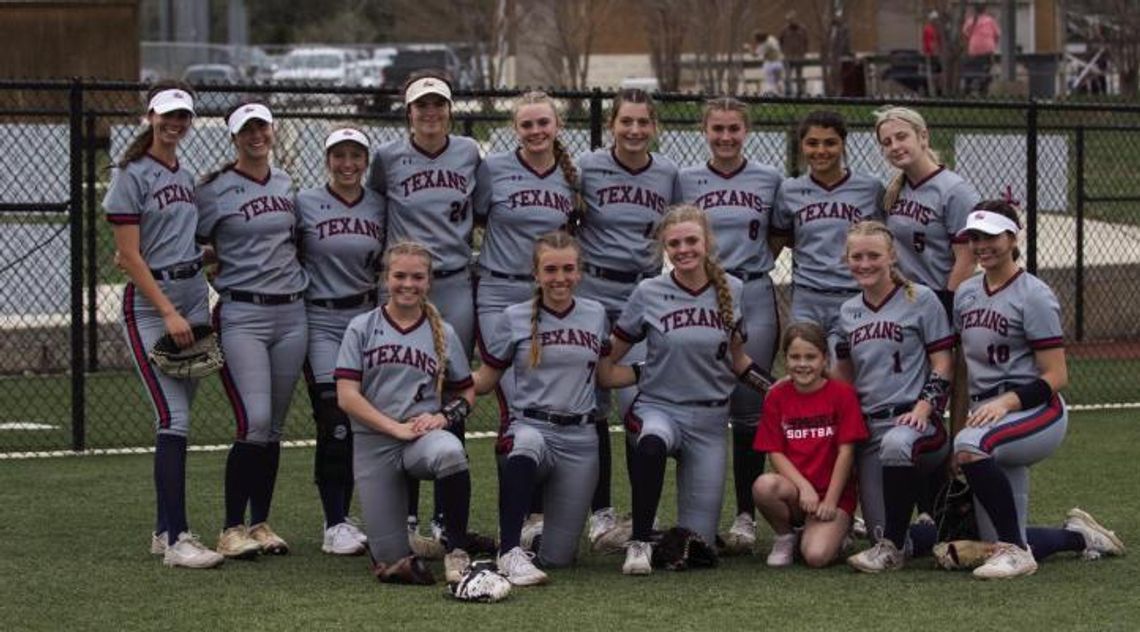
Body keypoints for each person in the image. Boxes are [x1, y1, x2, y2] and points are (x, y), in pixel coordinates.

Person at [951, 201, 1124, 578]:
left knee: (971, 447)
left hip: (1036, 410)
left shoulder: (1034, 295)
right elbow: (962, 369)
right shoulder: (965, 294)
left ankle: (1018, 552)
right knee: (991, 537)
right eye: (975, 237)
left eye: (992, 236)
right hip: (986, 415)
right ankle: (1080, 538)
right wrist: (959, 426)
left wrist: (1005, 403)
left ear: (1013, 237)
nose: (982, 245)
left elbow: (1057, 375)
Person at [602, 204, 772, 575]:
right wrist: (644, 372)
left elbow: (738, 361)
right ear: (664, 247)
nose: (683, 250)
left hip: (711, 421)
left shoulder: (734, 289)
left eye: (691, 241)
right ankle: (640, 542)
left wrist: (776, 391)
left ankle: (666, 538)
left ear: (707, 241)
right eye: (674, 244)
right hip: (661, 407)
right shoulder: (649, 291)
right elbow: (608, 362)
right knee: (652, 441)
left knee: (698, 546)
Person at [105, 82, 223, 569]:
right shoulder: (131, 174)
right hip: (154, 309)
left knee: (179, 420)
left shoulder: (184, 172)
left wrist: (207, 259)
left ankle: (162, 530)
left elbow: (176, 240)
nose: (175, 124)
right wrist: (169, 311)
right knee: (173, 419)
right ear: (150, 116)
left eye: (183, 116)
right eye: (167, 115)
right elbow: (129, 257)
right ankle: (177, 539)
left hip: (193, 296)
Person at [366, 71, 481, 542]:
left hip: (453, 283)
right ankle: (407, 515)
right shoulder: (387, 158)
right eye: (421, 106)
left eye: (438, 105)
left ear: (450, 110)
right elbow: (373, 212)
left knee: (451, 393)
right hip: (405, 287)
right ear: (407, 111)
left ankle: (442, 514)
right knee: (400, 393)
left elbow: (484, 212)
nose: (430, 113)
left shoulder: (471, 154)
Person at [473, 232, 620, 585]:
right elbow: (486, 380)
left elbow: (605, 375)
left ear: (580, 272)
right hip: (532, 426)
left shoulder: (595, 313)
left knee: (558, 558)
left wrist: (655, 369)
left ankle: (531, 538)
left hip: (581, 439)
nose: (560, 278)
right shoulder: (513, 316)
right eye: (550, 269)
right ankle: (508, 550)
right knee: (525, 444)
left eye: (568, 269)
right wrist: (441, 383)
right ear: (536, 274)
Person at [196, 101, 309, 559]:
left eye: (262, 126)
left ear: (273, 130)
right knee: (254, 421)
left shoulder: (285, 182)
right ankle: (229, 528)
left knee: (275, 426)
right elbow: (192, 244)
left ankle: (260, 523)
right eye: (246, 129)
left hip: (291, 313)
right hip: (243, 313)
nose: (256, 135)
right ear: (234, 137)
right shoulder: (215, 189)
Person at [675, 97, 782, 554]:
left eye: (733, 129)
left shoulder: (769, 179)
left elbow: (777, 236)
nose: (725, 137)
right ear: (704, 130)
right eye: (716, 128)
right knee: (696, 401)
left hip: (752, 293)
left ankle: (744, 515)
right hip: (699, 294)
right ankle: (691, 516)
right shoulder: (685, 179)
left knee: (748, 407)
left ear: (746, 131)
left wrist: (744, 274)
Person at [334, 241, 476, 584]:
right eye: (399, 276)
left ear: (429, 282)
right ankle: (397, 550)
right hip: (374, 442)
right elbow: (346, 397)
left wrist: (442, 418)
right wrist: (393, 428)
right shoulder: (362, 327)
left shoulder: (443, 330)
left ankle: (457, 551)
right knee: (390, 562)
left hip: (420, 438)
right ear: (386, 278)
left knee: (451, 451)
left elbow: (466, 390)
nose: (408, 284)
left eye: (417, 277)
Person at [576, 88, 680, 550]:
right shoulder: (586, 167)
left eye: (643, 122)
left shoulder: (669, 174)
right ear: (612, 124)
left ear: (655, 126)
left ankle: (643, 512)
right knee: (592, 402)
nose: (635, 130)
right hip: (595, 290)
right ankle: (599, 514)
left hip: (644, 292)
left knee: (640, 401)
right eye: (626, 121)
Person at [833, 221, 954, 572]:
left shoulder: (921, 297)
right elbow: (846, 378)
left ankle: (893, 551)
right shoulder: (848, 312)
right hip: (871, 428)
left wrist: (924, 406)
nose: (865, 263)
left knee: (898, 444)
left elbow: (944, 363)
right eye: (857, 256)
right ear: (847, 260)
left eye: (874, 255)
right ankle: (944, 530)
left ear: (892, 256)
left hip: (914, 423)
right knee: (879, 530)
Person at [296, 128, 386, 556]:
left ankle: (376, 514)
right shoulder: (304, 204)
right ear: (327, 159)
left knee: (371, 419)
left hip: (366, 317)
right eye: (339, 155)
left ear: (366, 161)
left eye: (356, 155)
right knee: (334, 417)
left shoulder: (379, 205)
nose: (347, 164)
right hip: (320, 317)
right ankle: (335, 522)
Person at [473, 90, 578, 449]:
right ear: (515, 128)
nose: (536, 131)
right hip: (498, 292)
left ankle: (548, 500)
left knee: (546, 397)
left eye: (543, 122)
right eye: (527, 124)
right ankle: (519, 504)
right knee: (514, 400)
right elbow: (477, 217)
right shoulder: (493, 168)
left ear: (558, 125)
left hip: (549, 297)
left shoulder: (570, 176)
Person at [751, 322, 867, 568]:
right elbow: (775, 452)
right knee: (764, 485)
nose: (802, 364)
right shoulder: (776, 396)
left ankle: (837, 533)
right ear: (785, 359)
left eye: (810, 357)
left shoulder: (842, 394)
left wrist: (830, 501)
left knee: (815, 556)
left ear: (824, 359)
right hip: (796, 492)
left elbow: (846, 453)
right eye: (795, 357)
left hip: (832, 494)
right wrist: (803, 487)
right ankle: (785, 536)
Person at [772, 110, 884, 359]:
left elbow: (885, 243)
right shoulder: (790, 191)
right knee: (804, 365)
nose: (821, 150)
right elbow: (778, 242)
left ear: (843, 144)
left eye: (830, 143)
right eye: (812, 143)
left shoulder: (870, 188)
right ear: (801, 145)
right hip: (808, 296)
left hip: (855, 294)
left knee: (848, 371)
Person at [779, 11, 809, 96]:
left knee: (799, 75)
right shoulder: (784, 30)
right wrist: (783, 51)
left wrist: (804, 52)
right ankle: (788, 92)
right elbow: (780, 41)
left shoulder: (803, 29)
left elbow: (806, 41)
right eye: (789, 20)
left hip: (799, 56)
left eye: (792, 19)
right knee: (788, 75)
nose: (791, 21)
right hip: (788, 56)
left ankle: (799, 92)